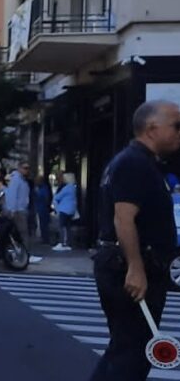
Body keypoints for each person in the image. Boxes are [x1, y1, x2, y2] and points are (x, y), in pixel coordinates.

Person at [91, 100, 180, 381]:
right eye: (177, 126)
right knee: (132, 353)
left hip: (129, 264)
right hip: (128, 267)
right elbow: (123, 218)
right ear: (152, 128)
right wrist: (135, 267)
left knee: (125, 347)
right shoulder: (134, 163)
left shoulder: (139, 162)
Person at [4, 161, 31, 245]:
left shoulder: (22, 179)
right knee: (22, 232)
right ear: (19, 168)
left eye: (28, 168)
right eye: (25, 168)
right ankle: (25, 254)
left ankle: (24, 253)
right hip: (18, 210)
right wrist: (12, 210)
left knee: (21, 232)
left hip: (21, 209)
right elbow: (12, 195)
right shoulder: (16, 179)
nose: (27, 170)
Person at [52, 172, 78, 251]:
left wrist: (57, 209)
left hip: (64, 209)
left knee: (61, 227)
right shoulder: (74, 188)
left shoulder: (67, 188)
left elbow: (56, 197)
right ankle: (68, 243)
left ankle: (62, 243)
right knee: (68, 227)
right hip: (71, 210)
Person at [33, 174, 53, 245]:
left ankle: (46, 239)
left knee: (44, 224)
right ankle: (44, 238)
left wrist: (37, 193)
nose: (35, 182)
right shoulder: (39, 188)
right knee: (42, 224)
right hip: (40, 208)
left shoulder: (43, 188)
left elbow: (45, 198)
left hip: (43, 208)